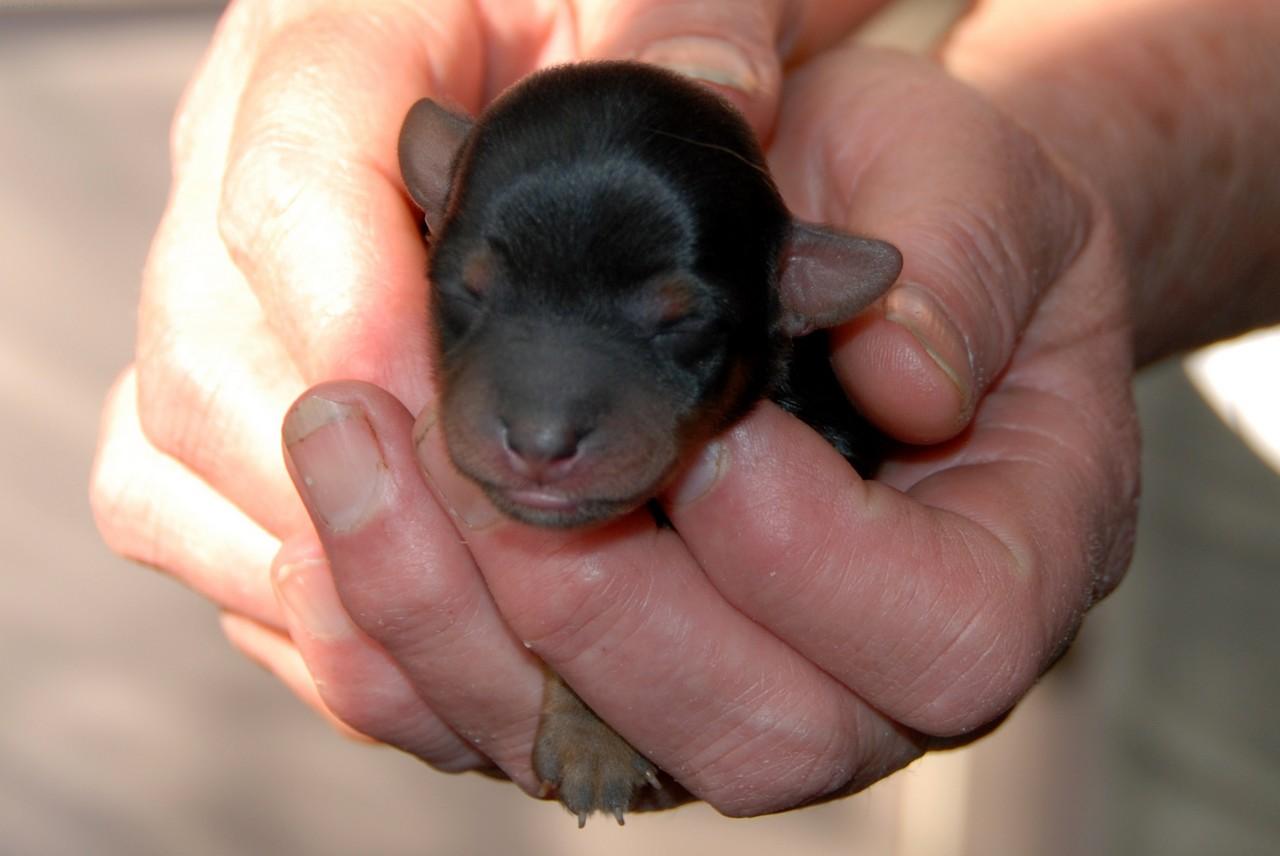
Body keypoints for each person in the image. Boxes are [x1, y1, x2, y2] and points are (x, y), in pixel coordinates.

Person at [90, 0, 1280, 816]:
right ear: (431, 209)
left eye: (672, 324)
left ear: (797, 294)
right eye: (472, 295)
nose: (543, 425)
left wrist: (1063, 191)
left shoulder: (814, 390)